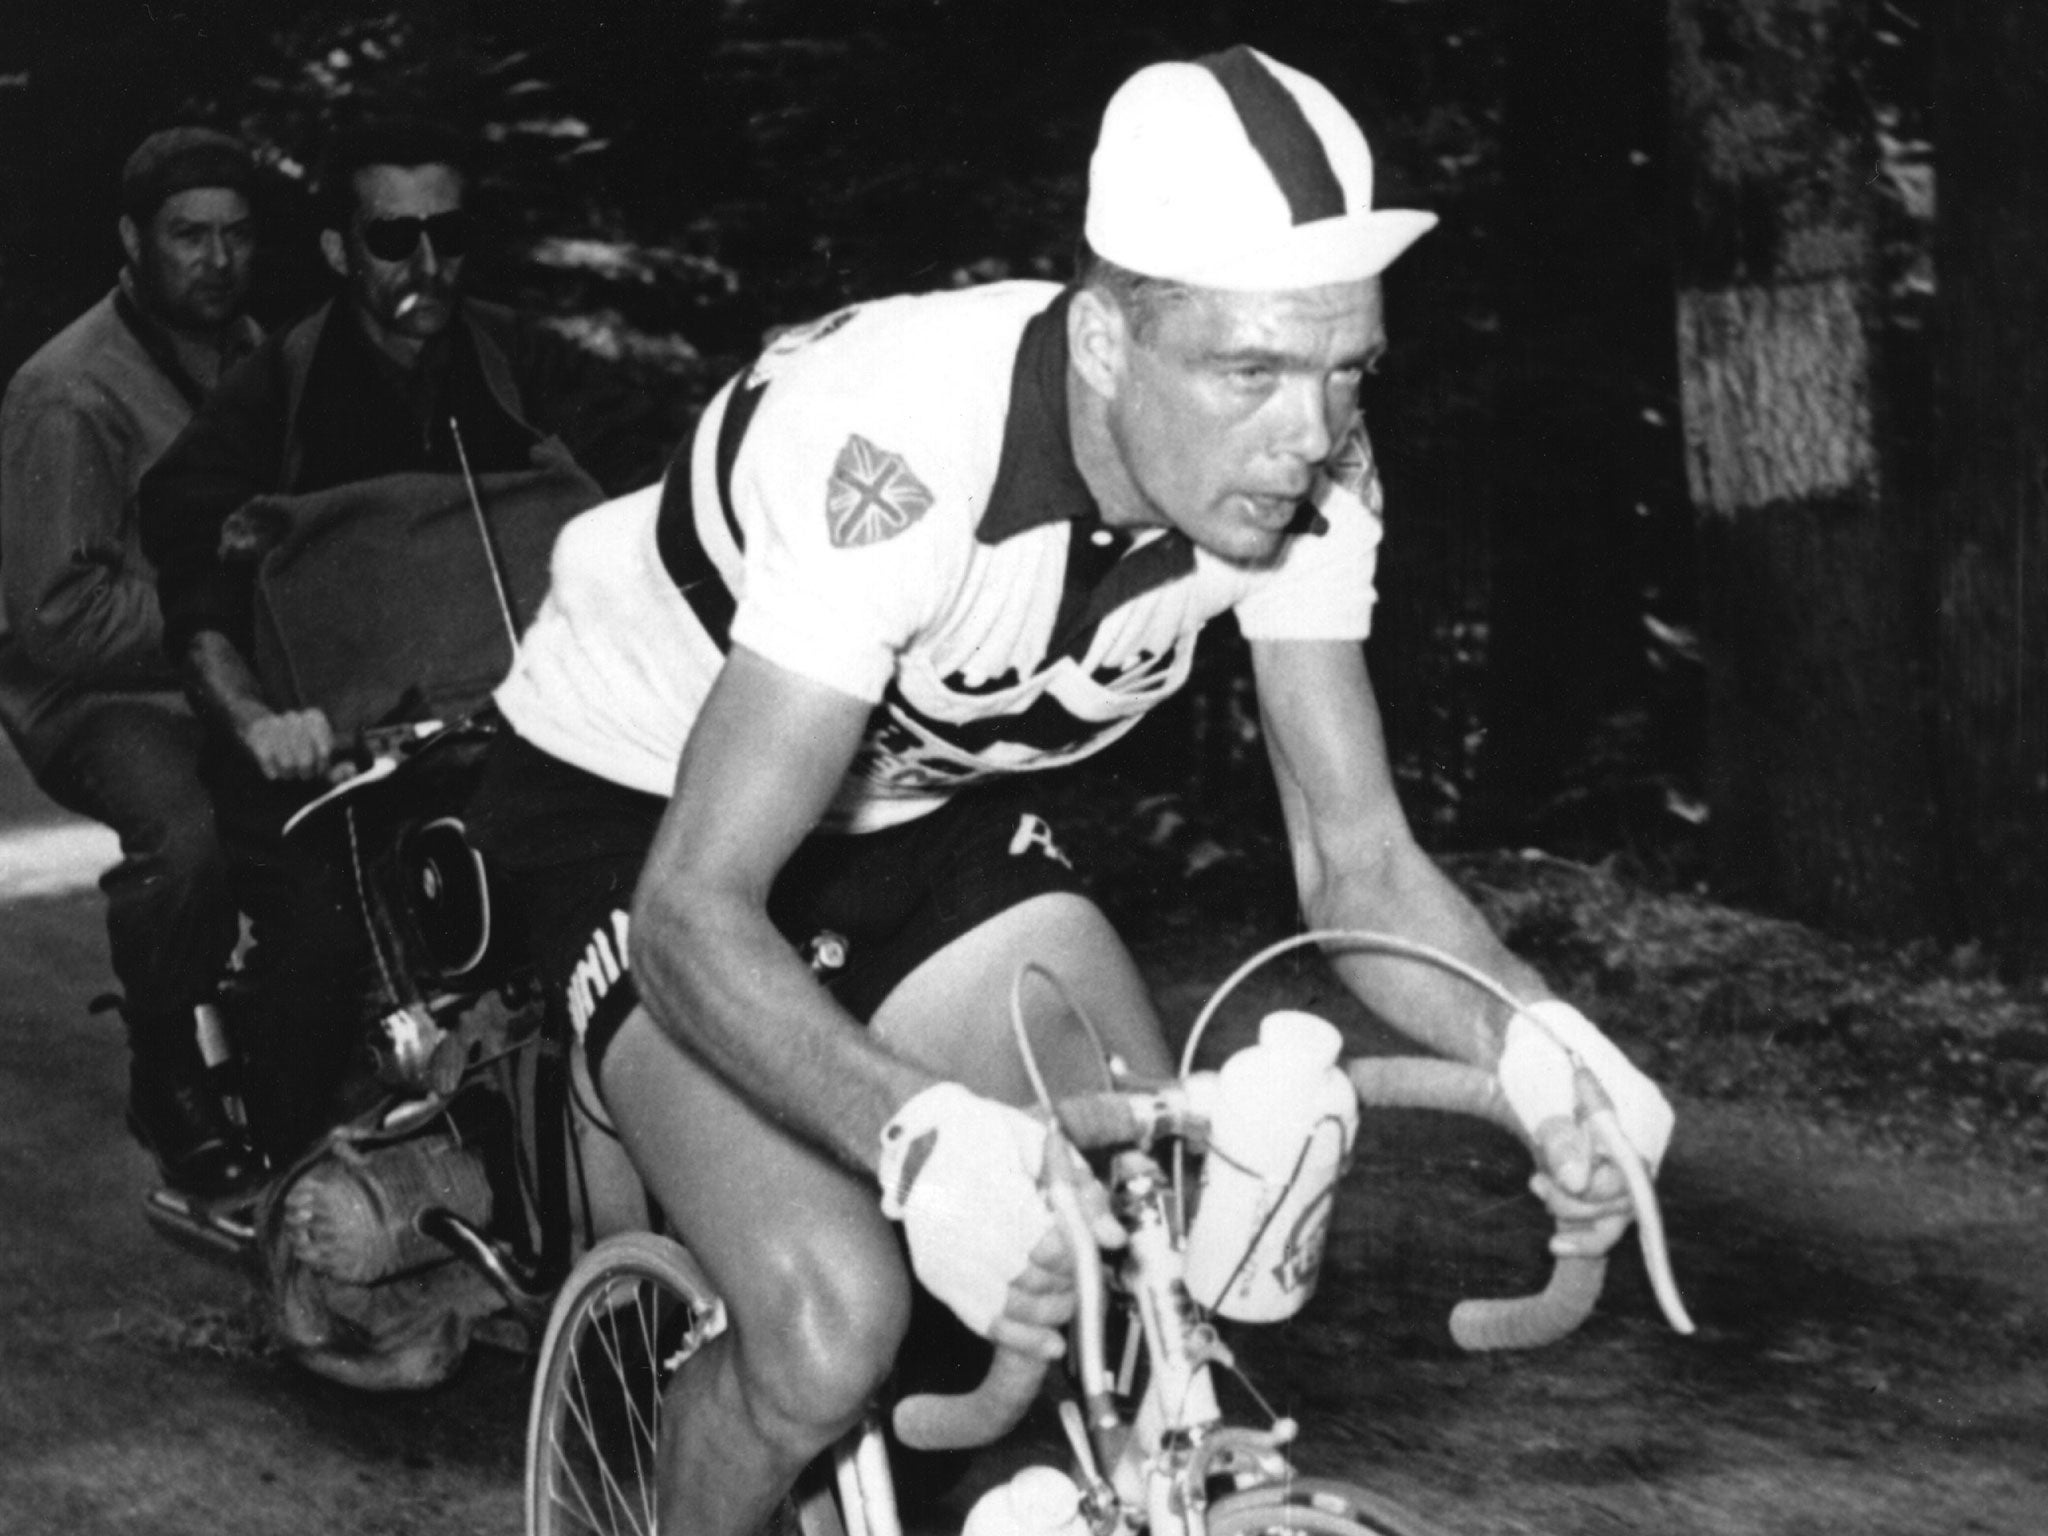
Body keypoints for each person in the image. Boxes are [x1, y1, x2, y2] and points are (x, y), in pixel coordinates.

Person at [469, 45, 1677, 1534]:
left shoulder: (1310, 478)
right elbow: (693, 913)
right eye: (1251, 371)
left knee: (1145, 1225)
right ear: (1105, 342)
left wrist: (1550, 1052)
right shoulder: (900, 447)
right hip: (642, 810)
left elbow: (1358, 864)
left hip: (921, 803)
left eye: (1345, 364)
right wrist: (917, 1138)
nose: (1310, 431)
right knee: (830, 1326)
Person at [138, 116, 617, 1161]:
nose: (426, 266)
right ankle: (299, 1191)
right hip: (325, 757)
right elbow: (197, 595)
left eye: (446, 233)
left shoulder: (522, 366)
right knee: (321, 951)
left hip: (510, 727)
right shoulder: (275, 394)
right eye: (393, 239)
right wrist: (263, 723)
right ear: (338, 250)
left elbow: (643, 512)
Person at [0, 127, 264, 1198]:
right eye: (188, 236)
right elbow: (56, 614)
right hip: (92, 691)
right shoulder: (69, 392)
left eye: (237, 236)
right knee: (190, 833)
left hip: (220, 664)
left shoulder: (259, 354)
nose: (216, 259)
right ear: (133, 241)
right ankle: (168, 1064)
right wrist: (222, 626)